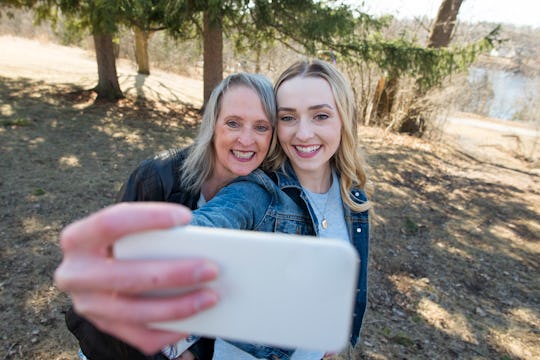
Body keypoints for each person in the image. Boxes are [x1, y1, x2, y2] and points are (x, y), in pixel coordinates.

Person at [55, 59, 371, 359]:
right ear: (213, 124)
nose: (303, 133)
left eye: (262, 126)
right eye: (288, 117)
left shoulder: (349, 197)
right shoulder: (181, 181)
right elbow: (199, 230)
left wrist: (332, 328)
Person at [60, 71, 277, 360]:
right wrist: (179, 350)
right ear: (212, 125)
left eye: (261, 127)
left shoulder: (266, 202)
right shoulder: (157, 176)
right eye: (233, 123)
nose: (246, 139)